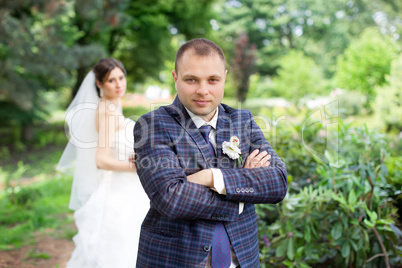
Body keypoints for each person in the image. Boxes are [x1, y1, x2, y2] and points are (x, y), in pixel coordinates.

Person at [133, 38, 288, 267]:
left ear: (224, 77)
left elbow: (277, 183)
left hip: (242, 260)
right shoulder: (152, 125)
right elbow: (171, 198)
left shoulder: (242, 121)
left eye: (213, 80)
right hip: (176, 259)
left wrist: (211, 177)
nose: (202, 90)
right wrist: (241, 198)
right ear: (176, 78)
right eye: (191, 79)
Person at [57, 58, 149, 267]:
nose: (119, 85)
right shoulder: (106, 111)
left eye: (121, 78)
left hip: (127, 189)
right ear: (99, 84)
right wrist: (136, 166)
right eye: (111, 81)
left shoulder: (112, 106)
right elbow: (101, 160)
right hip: (116, 192)